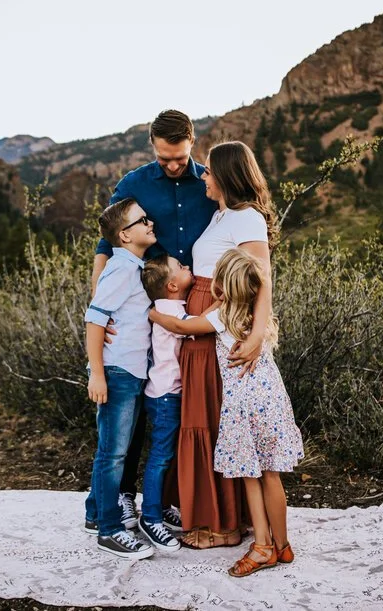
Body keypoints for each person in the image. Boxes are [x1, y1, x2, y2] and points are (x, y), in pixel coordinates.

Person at [90, 110, 218, 531]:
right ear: (153, 147)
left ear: (191, 144)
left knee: (184, 403)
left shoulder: (207, 184)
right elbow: (106, 245)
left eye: (179, 157)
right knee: (138, 404)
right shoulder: (134, 184)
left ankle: (174, 497)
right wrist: (99, 306)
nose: (173, 165)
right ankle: (123, 498)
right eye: (164, 158)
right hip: (145, 307)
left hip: (197, 303)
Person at [150, 248, 304, 575]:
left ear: (222, 284)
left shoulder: (221, 316)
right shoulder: (254, 314)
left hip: (244, 405)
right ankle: (283, 545)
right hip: (272, 400)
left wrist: (154, 316)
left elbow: (181, 326)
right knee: (272, 475)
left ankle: (263, 547)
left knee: (250, 476)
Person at [173, 140, 279, 549]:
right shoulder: (222, 215)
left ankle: (223, 525)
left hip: (219, 329)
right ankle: (222, 516)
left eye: (210, 172)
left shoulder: (246, 218)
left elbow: (261, 281)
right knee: (207, 417)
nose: (204, 176)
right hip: (202, 329)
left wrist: (256, 337)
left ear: (227, 176)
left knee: (212, 421)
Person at [83, 198, 156, 560]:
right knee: (112, 454)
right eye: (142, 220)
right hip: (116, 373)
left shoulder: (133, 266)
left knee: (116, 449)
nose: (150, 222)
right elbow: (95, 319)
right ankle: (110, 530)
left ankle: (96, 514)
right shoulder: (121, 269)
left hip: (129, 370)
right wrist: (97, 372)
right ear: (125, 235)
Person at [135, 254, 195, 551]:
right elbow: (189, 326)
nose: (187, 266)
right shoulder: (170, 311)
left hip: (165, 393)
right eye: (181, 267)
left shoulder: (167, 305)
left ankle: (160, 505)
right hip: (165, 396)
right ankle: (150, 517)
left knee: (167, 456)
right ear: (172, 285)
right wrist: (223, 303)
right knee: (160, 458)